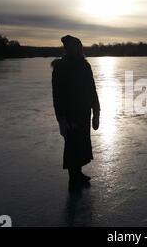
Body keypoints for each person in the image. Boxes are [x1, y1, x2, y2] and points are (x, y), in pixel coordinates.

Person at [52, 35, 100, 193]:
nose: (77, 50)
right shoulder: (60, 67)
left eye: (79, 47)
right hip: (70, 114)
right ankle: (73, 180)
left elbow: (92, 90)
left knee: (82, 144)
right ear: (68, 49)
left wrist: (96, 111)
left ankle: (78, 174)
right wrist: (61, 118)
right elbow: (57, 95)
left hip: (84, 112)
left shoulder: (85, 66)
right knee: (72, 146)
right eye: (74, 47)